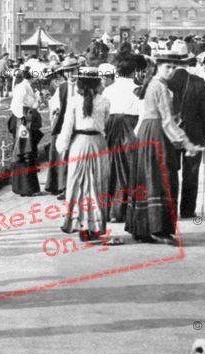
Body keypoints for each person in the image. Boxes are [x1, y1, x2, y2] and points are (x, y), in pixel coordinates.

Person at [125, 50, 201, 246]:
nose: (171, 70)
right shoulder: (160, 87)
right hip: (156, 134)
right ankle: (159, 229)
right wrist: (186, 143)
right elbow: (167, 122)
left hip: (146, 133)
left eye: (174, 67)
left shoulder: (152, 83)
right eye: (168, 66)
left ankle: (143, 228)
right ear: (158, 66)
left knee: (147, 178)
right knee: (163, 179)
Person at [55, 66, 116, 244]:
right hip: (98, 144)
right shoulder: (104, 101)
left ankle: (81, 226)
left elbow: (67, 127)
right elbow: (105, 124)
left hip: (79, 144)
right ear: (98, 82)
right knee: (98, 186)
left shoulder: (74, 101)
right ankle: (95, 227)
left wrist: (62, 147)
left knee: (78, 185)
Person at [101, 45, 144, 222]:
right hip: (131, 129)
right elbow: (143, 114)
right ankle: (128, 211)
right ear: (134, 71)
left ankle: (112, 211)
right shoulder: (139, 90)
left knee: (111, 169)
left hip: (111, 128)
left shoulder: (108, 90)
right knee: (130, 169)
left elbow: (103, 115)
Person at [167, 51, 205, 219]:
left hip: (170, 133)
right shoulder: (198, 81)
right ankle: (187, 210)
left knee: (170, 172)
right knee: (191, 172)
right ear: (186, 62)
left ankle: (169, 209)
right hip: (194, 131)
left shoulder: (165, 82)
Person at [46, 57, 79, 197]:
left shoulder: (83, 86)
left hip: (79, 124)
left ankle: (75, 187)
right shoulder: (62, 88)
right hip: (64, 123)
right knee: (61, 153)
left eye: (73, 71)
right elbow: (54, 104)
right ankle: (62, 186)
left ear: (78, 70)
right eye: (67, 72)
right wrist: (55, 110)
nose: (70, 74)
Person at [8, 68, 42, 196]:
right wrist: (23, 118)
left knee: (27, 151)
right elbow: (17, 104)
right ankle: (25, 187)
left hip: (25, 119)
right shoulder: (23, 87)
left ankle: (26, 187)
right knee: (24, 151)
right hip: (23, 121)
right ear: (32, 77)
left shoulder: (25, 85)